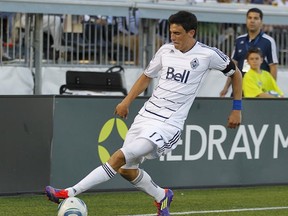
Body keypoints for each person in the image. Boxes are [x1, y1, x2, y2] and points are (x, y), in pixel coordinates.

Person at [45, 11, 242, 215]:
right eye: (171, 33)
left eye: (178, 33)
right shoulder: (165, 50)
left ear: (191, 32)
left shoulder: (208, 55)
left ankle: (69, 192)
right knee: (125, 169)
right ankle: (161, 196)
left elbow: (236, 73)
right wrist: (126, 101)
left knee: (121, 155)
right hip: (146, 116)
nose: (173, 37)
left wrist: (237, 108)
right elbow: (146, 76)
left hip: (168, 124)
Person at [220, 7, 278, 97]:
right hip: (240, 87)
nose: (252, 21)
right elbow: (233, 65)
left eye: (256, 18)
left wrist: (271, 91)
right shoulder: (239, 40)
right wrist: (226, 87)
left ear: (261, 22)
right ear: (246, 20)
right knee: (237, 111)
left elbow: (273, 66)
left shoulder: (268, 41)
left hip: (258, 90)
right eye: (249, 18)